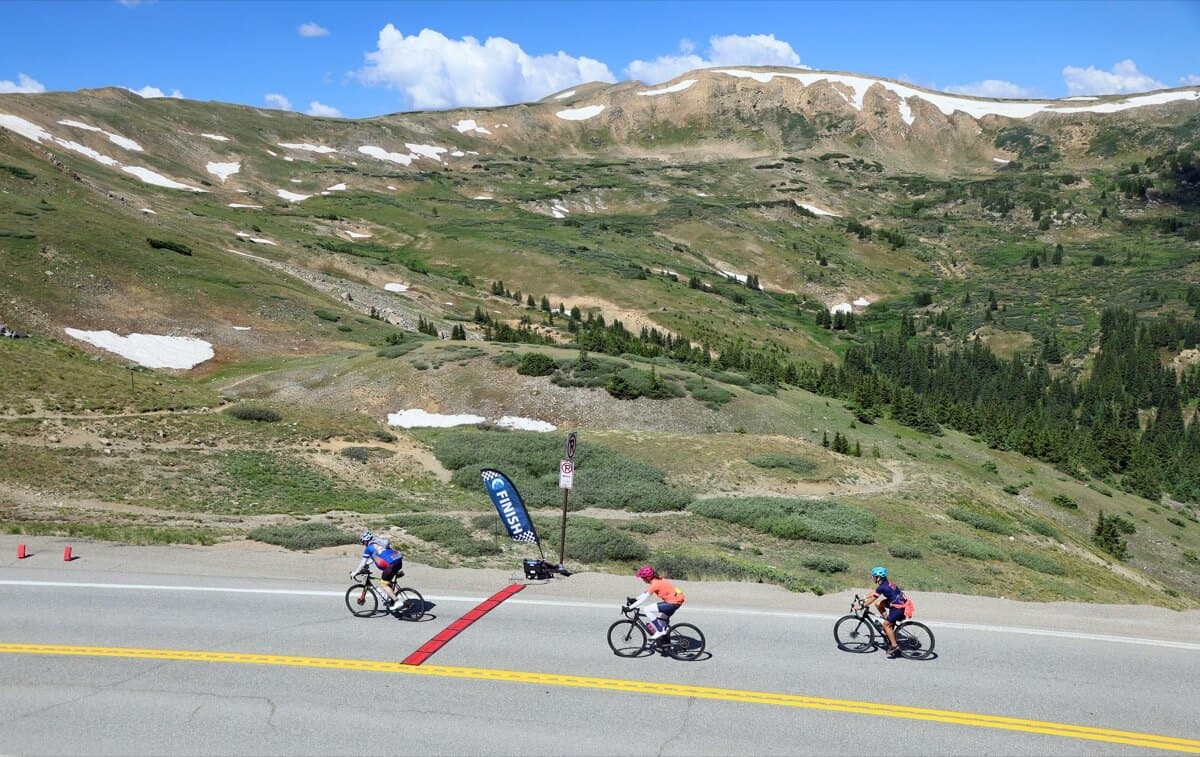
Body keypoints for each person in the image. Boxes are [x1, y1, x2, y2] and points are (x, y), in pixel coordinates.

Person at [626, 565, 685, 642]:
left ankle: (660, 631)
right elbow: (646, 593)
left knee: (647, 609)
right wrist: (635, 599)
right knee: (662, 623)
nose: (642, 579)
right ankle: (665, 643)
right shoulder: (657, 580)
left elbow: (644, 599)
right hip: (676, 601)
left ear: (647, 577)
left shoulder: (655, 584)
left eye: (643, 578)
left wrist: (629, 608)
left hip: (672, 602)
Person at [862, 566, 910, 658]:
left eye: (873, 576)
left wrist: (862, 606)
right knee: (878, 604)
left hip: (898, 608)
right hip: (899, 602)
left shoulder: (882, 587)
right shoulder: (886, 583)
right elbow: (874, 592)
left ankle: (894, 646)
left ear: (878, 577)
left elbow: (872, 599)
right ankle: (888, 622)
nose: (872, 578)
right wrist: (863, 597)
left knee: (885, 625)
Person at [351, 530, 405, 608]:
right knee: (388, 581)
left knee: (383, 584)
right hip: (398, 560)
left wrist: (355, 572)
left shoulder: (369, 548)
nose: (363, 544)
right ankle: (391, 598)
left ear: (365, 541)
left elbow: (362, 563)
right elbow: (376, 558)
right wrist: (366, 565)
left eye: (363, 542)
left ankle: (397, 601)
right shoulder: (379, 544)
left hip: (391, 565)